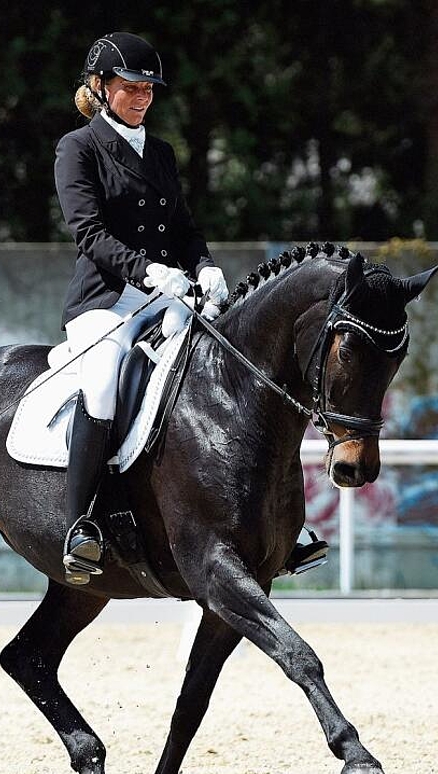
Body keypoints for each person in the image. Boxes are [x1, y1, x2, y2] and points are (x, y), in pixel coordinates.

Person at [54, 32, 326, 584]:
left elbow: (182, 228)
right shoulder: (77, 148)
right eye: (129, 87)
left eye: (148, 88)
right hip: (106, 301)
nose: (142, 97)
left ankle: (280, 524)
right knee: (103, 378)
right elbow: (88, 232)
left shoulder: (160, 153)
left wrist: (203, 264)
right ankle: (78, 522)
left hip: (172, 293)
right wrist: (147, 271)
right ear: (100, 88)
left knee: (235, 371)